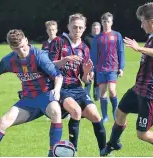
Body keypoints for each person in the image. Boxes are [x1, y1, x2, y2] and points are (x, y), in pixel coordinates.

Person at [100, 2, 153, 157]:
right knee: (120, 112)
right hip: (138, 88)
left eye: (142, 21)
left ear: (152, 21)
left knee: (142, 134)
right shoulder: (152, 38)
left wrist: (139, 48)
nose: (141, 25)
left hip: (151, 93)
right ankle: (113, 143)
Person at [0, 29, 63, 157]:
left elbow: (57, 76)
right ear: (11, 47)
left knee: (56, 111)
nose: (21, 51)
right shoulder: (9, 60)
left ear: (27, 41)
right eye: (17, 49)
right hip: (28, 100)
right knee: (3, 121)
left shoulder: (39, 56)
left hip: (45, 97)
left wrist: (56, 90)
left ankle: (53, 154)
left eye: (23, 47)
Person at [48, 13, 112, 155]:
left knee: (96, 116)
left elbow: (85, 80)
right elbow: (48, 66)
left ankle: (104, 151)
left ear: (84, 29)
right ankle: (73, 151)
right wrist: (64, 60)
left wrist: (87, 72)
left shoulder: (84, 48)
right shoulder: (58, 41)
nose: (77, 30)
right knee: (76, 111)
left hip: (77, 87)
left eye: (80, 28)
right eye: (74, 27)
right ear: (68, 27)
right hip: (60, 86)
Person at [91, 12, 125, 123]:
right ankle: (105, 116)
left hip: (113, 68)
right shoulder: (98, 37)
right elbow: (94, 55)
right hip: (101, 69)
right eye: (104, 21)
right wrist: (92, 69)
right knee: (102, 92)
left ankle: (115, 114)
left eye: (108, 21)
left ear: (112, 22)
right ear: (102, 22)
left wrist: (121, 67)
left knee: (112, 90)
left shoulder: (117, 35)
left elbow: (121, 51)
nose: (106, 23)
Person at [83, 22, 101, 101]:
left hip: (100, 62)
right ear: (92, 29)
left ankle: (97, 96)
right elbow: (84, 51)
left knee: (98, 80)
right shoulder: (87, 38)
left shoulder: (102, 38)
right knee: (88, 79)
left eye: (97, 28)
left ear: (100, 29)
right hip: (89, 62)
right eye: (94, 28)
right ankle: (86, 95)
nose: (96, 30)